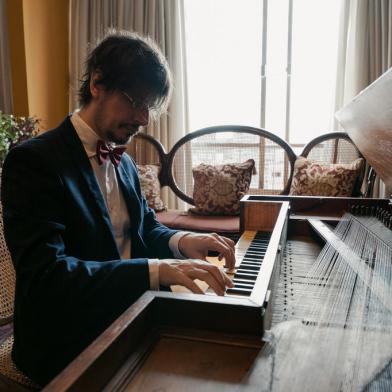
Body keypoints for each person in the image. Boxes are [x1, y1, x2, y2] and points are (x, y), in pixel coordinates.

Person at [1, 30, 235, 386]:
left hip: (129, 313)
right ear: (97, 83)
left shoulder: (124, 163)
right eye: (134, 101)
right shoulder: (34, 162)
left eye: (150, 107)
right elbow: (48, 277)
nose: (143, 118)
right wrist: (156, 270)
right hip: (67, 338)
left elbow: (145, 229)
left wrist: (185, 241)